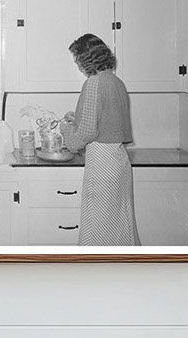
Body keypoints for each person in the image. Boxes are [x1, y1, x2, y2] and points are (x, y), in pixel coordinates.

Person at [59, 34, 140, 246]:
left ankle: (95, 272)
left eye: (77, 58)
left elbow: (86, 134)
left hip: (102, 162)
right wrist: (76, 117)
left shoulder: (93, 83)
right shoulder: (116, 82)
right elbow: (107, 118)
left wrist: (66, 131)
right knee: (120, 223)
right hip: (119, 160)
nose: (76, 64)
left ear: (87, 58)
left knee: (98, 225)